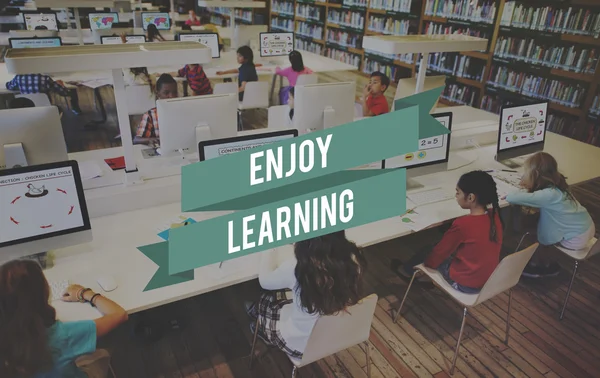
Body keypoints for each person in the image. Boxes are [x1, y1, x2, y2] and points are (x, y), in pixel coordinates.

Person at [246, 230, 367, 359]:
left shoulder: (298, 267)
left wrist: (269, 248)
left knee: (267, 299)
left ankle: (260, 328)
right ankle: (258, 315)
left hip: (298, 345)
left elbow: (264, 281)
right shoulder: (353, 259)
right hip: (338, 335)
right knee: (288, 298)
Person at [0, 259, 128, 378]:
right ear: (44, 293)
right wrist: (84, 293)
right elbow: (119, 314)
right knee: (104, 352)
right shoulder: (62, 335)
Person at [391, 170, 503, 293]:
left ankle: (407, 271)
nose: (456, 196)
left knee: (430, 249)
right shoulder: (495, 216)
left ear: (471, 197)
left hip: (464, 284)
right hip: (488, 281)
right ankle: (421, 277)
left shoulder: (463, 224)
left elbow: (438, 253)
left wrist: (426, 268)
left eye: (458, 192)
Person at [503, 152, 595, 278]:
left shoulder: (548, 195)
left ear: (535, 175)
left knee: (541, 236)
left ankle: (541, 266)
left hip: (576, 239)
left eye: (526, 173)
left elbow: (512, 197)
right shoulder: (559, 186)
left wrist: (521, 187)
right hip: (587, 229)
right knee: (540, 225)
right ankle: (544, 262)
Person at [5, 74, 83, 115]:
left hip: (26, 111)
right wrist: (58, 84)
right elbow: (63, 92)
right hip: (44, 110)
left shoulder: (19, 77)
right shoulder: (45, 78)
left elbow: (9, 86)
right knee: (59, 109)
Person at [134, 73, 178, 145]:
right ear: (158, 94)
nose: (171, 96)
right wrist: (153, 139)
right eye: (166, 93)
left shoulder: (182, 112)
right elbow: (136, 139)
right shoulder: (150, 115)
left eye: (174, 92)